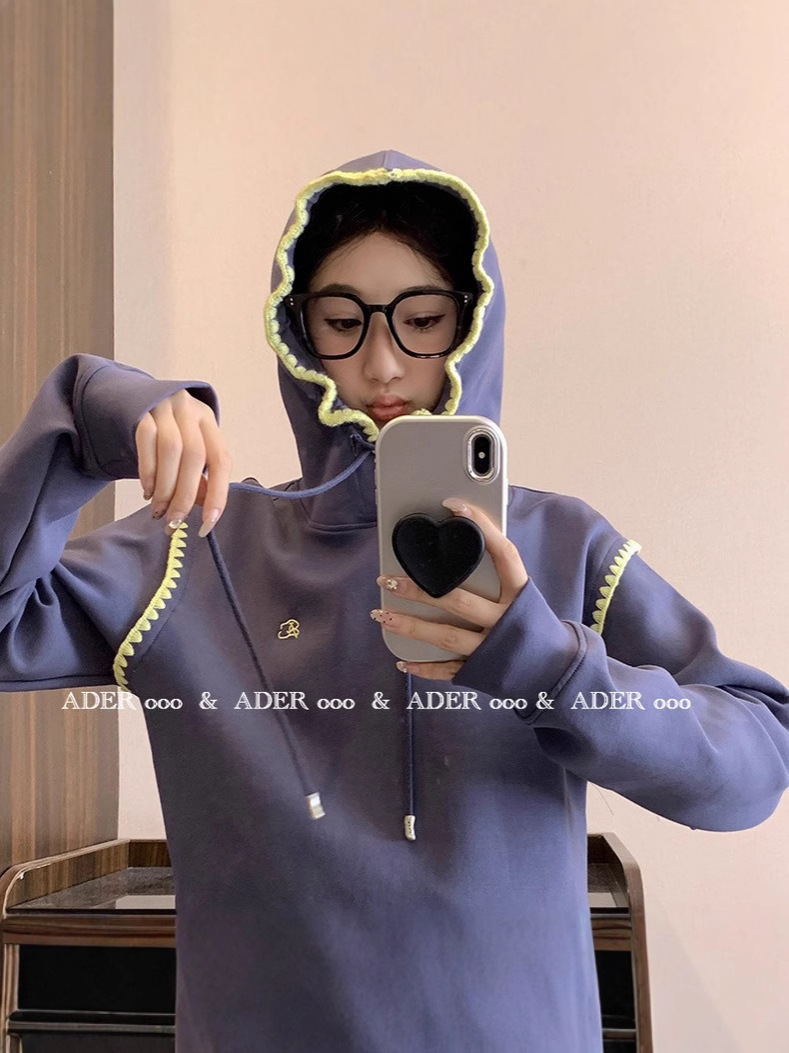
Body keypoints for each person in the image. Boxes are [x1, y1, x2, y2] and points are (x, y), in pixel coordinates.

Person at [1, 148, 787, 1053]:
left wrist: (551, 668)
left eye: (421, 321)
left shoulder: (558, 546)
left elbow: (755, 759)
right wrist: (84, 417)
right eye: (341, 322)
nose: (381, 365)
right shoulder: (193, 544)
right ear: (297, 335)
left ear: (470, 325)